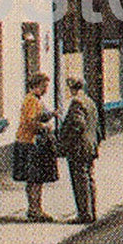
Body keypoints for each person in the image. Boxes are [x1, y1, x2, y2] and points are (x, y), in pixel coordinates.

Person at [13, 73, 56, 221]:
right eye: (44, 86)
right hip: (29, 143)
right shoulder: (31, 100)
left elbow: (37, 117)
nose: (46, 89)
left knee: (37, 179)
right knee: (34, 179)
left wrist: (48, 115)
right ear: (37, 86)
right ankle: (33, 209)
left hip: (31, 142)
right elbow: (31, 122)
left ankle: (37, 208)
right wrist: (45, 126)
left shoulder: (35, 100)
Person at [59, 77, 101, 223]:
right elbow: (97, 126)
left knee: (80, 181)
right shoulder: (90, 101)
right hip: (90, 146)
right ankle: (92, 212)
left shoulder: (77, 103)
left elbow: (78, 124)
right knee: (89, 178)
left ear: (71, 88)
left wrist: (66, 142)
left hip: (79, 147)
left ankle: (84, 214)